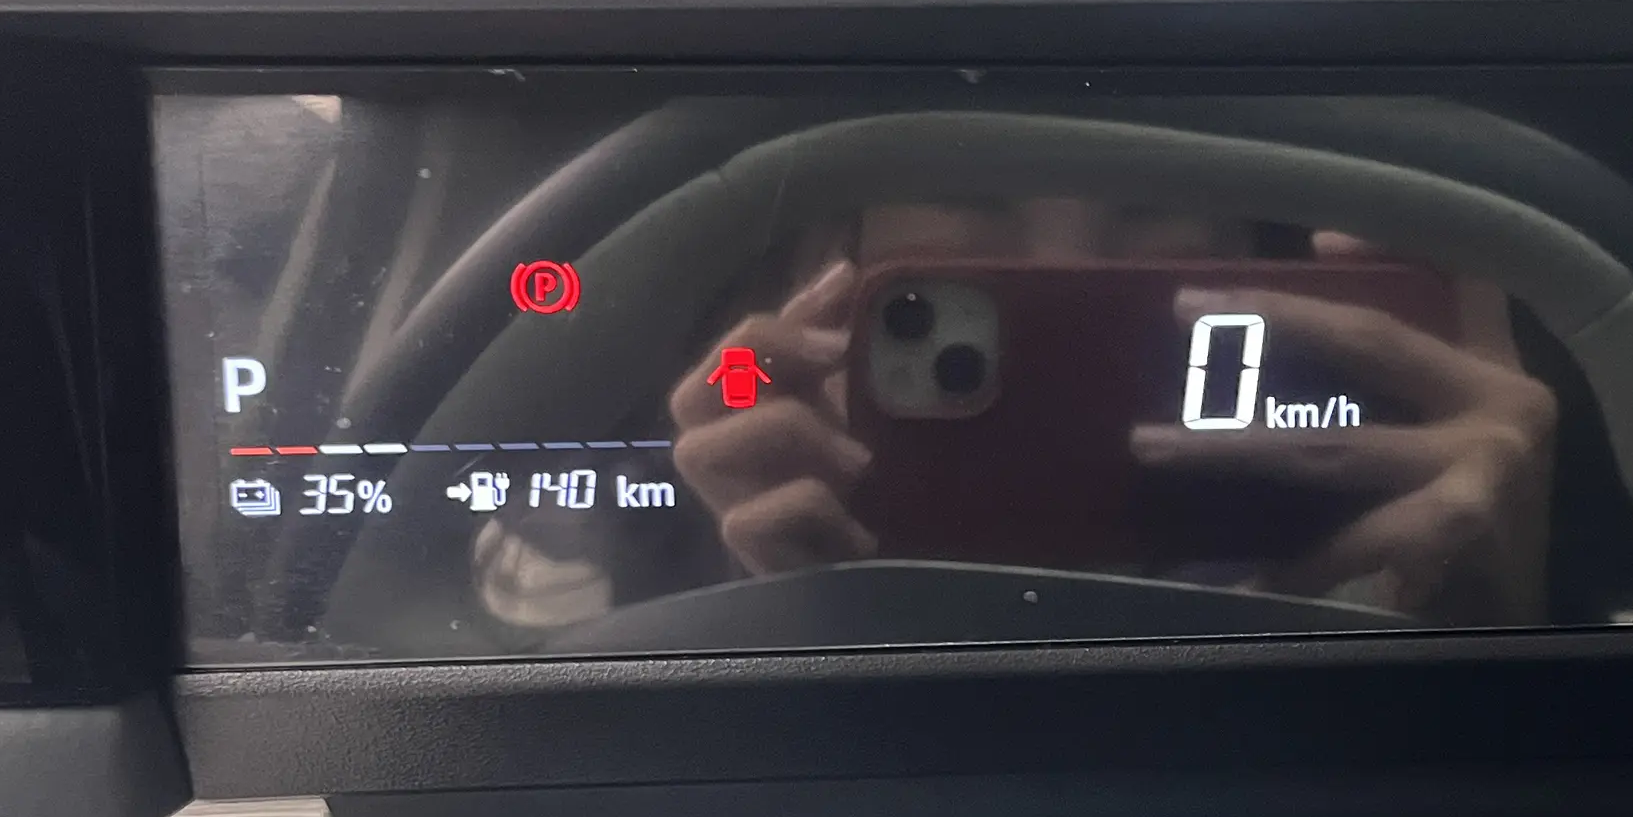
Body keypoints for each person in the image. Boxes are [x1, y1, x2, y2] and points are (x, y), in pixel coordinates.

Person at [665, 197, 1559, 624]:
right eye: (941, 284)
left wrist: (1495, 613)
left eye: (1151, 195)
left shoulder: (1361, 529)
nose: (1061, 266)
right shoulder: (696, 595)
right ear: (808, 299)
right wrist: (770, 608)